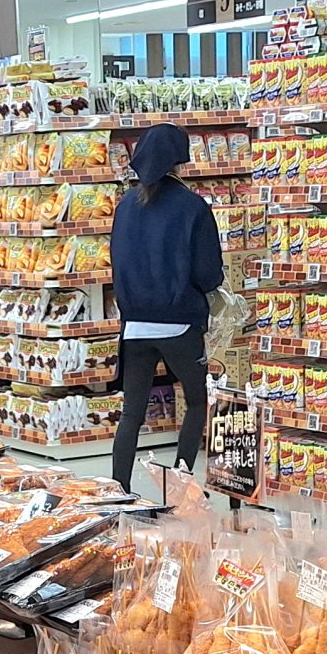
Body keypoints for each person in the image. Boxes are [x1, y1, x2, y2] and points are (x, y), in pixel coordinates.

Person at [107, 121, 222, 489]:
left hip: (135, 326)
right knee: (197, 402)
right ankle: (180, 486)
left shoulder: (126, 205)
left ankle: (118, 489)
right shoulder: (193, 207)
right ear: (179, 160)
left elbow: (116, 262)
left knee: (131, 413)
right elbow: (208, 272)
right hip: (180, 324)